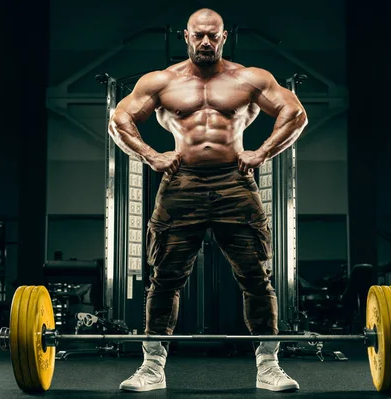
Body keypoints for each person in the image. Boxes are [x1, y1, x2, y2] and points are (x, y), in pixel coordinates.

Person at [108, 8, 308, 393]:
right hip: (180, 182)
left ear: (223, 37)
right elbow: (119, 119)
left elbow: (294, 113)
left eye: (212, 36)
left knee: (255, 277)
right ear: (186, 36)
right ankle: (152, 368)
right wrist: (151, 155)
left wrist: (262, 152)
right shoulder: (162, 81)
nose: (205, 42)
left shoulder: (249, 78)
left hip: (235, 182)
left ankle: (269, 366)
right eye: (198, 35)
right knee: (164, 279)